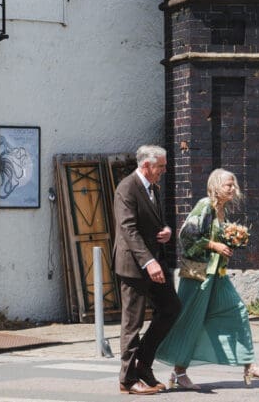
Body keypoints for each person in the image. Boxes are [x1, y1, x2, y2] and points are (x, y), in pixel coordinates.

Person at [156, 168, 259, 389]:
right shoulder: (205, 205)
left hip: (218, 275)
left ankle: (249, 364)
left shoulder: (222, 210)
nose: (233, 188)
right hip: (199, 275)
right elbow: (186, 234)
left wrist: (231, 241)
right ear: (215, 186)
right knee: (191, 321)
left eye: (233, 185)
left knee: (238, 310)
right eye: (228, 185)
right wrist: (214, 245)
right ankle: (179, 373)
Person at [112, 145, 180, 395]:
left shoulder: (154, 187)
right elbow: (128, 229)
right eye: (161, 166)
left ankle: (142, 364)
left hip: (154, 261)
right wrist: (148, 262)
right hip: (134, 265)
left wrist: (167, 231)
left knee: (171, 308)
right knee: (133, 322)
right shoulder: (127, 188)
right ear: (146, 165)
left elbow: (155, 221)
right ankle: (127, 380)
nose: (164, 170)